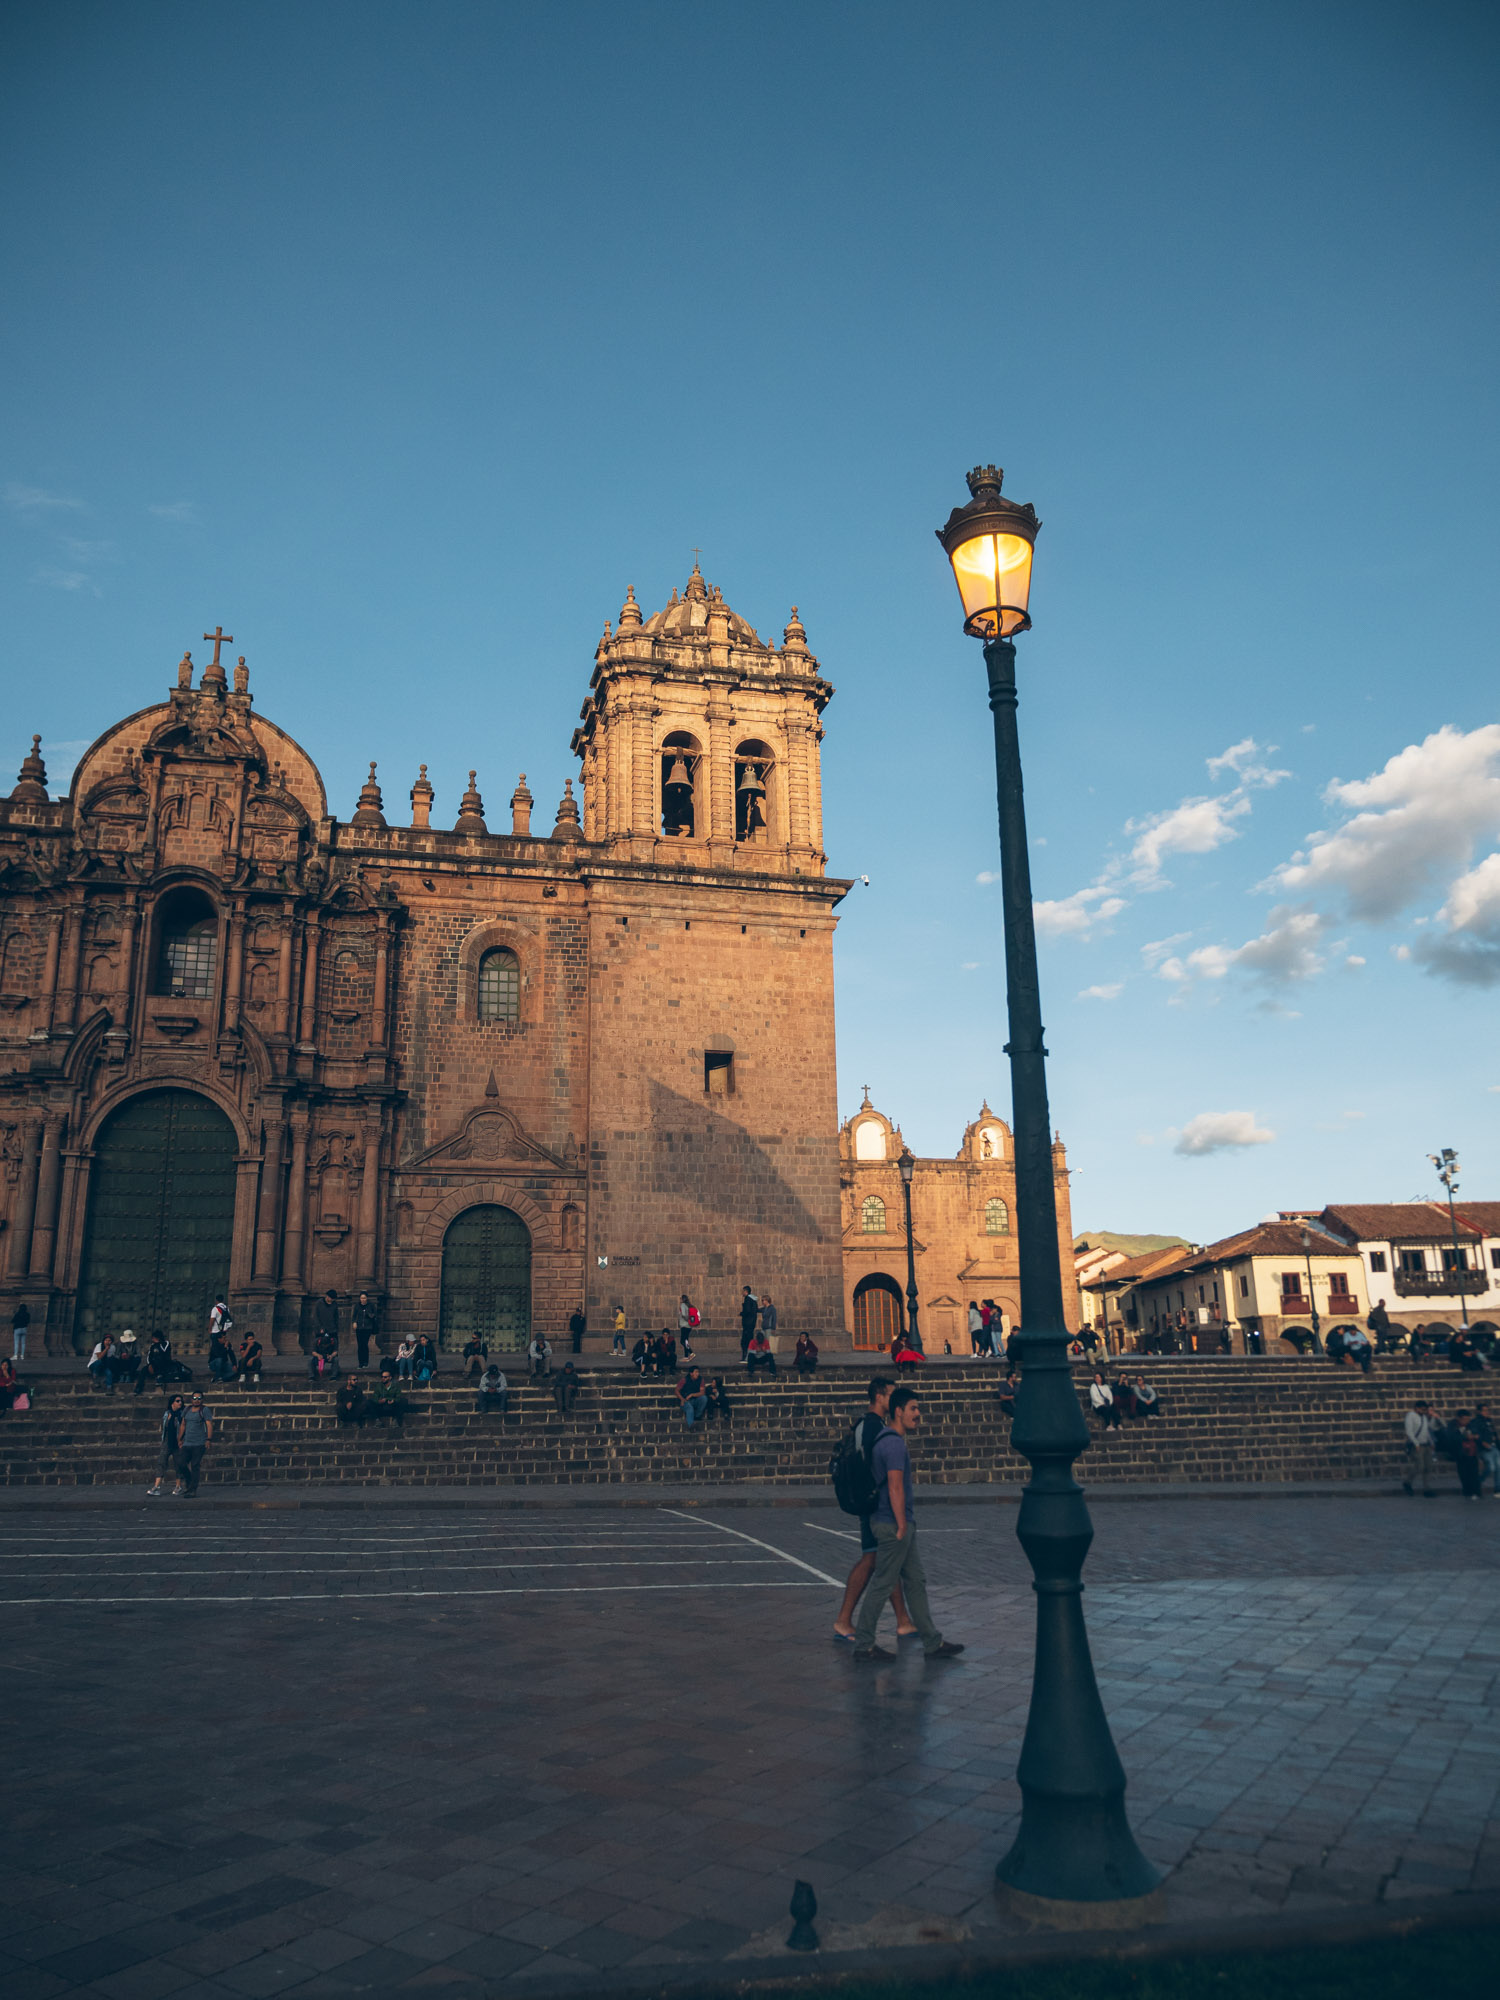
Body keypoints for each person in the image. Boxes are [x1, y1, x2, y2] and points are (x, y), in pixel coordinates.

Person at [852, 1386, 963, 1662]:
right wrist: (902, 1525)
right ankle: (864, 1644)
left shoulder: (885, 1439)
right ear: (898, 1411)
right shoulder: (893, 1444)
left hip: (895, 1522)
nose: (918, 1414)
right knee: (883, 1583)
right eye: (913, 1408)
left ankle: (932, 1642)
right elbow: (895, 1487)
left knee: (915, 1580)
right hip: (894, 1524)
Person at [833, 1376, 916, 1643]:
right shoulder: (873, 1427)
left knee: (881, 1559)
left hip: (871, 1503)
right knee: (873, 1559)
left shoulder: (867, 1424)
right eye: (891, 1395)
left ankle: (903, 1621)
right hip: (874, 1505)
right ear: (879, 1397)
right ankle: (845, 1620)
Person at [147, 1394, 187, 1496]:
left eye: (181, 1401)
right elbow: (165, 1428)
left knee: (178, 1465)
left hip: (178, 1442)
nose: (180, 1403)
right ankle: (156, 1487)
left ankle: (178, 1487)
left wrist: (182, 1440)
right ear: (172, 1402)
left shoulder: (183, 1414)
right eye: (177, 1401)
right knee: (161, 1462)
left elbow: (184, 1428)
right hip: (167, 1442)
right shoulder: (167, 1413)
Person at [178, 1393, 214, 1497]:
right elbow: (183, 1425)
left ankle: (192, 1490)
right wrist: (179, 1439)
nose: (196, 1400)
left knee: (195, 1465)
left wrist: (208, 1439)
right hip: (187, 1442)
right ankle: (189, 1483)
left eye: (199, 1398)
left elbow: (209, 1425)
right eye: (194, 1398)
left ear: (202, 1400)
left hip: (199, 1443)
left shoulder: (204, 1410)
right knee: (181, 1463)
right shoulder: (187, 1409)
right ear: (191, 1399)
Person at [1403, 1401, 1438, 1496]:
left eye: (1425, 1410)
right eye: (1423, 1409)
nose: (1424, 1411)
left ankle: (1426, 1488)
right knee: (1419, 1466)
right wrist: (1416, 1443)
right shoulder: (1410, 1416)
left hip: (1426, 1444)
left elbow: (1428, 1430)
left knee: (1428, 1466)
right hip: (1417, 1445)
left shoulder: (1424, 1417)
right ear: (1417, 1408)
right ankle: (1408, 1482)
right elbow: (1409, 1431)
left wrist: (1431, 1442)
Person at [1468, 1403, 1499, 1496]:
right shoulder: (1475, 1422)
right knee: (1491, 1467)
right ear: (1478, 1411)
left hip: (1494, 1447)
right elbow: (1475, 1435)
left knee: (1498, 1468)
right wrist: (1483, 1443)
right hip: (1484, 1448)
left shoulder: (1489, 1421)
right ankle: (1477, 1483)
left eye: (1487, 1410)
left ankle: (1497, 1489)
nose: (1486, 1412)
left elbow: (1494, 1434)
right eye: (1484, 1410)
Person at [352, 1291, 380, 1369]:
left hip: (368, 1328)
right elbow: (354, 1315)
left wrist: (369, 1314)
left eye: (364, 1298)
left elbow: (375, 1314)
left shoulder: (371, 1305)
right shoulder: (357, 1306)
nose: (363, 1300)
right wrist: (354, 1322)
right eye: (361, 1298)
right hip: (359, 1328)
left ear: (367, 1298)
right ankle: (360, 1363)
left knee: (364, 1344)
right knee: (360, 1345)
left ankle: (365, 1362)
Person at [310, 1315, 341, 1381]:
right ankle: (311, 1376)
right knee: (310, 1360)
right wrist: (318, 1355)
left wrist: (331, 1356)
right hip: (320, 1356)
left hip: (329, 1356)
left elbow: (335, 1351)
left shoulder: (334, 1340)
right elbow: (313, 1351)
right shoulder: (317, 1341)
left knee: (336, 1360)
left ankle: (333, 1376)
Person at [314, 1289, 340, 1369]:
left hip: (332, 1329)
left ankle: (335, 1366)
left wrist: (336, 1327)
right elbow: (316, 1317)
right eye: (331, 1298)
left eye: (333, 1299)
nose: (332, 1300)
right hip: (321, 1329)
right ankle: (318, 1364)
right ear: (327, 1297)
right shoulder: (319, 1303)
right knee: (319, 1346)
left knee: (334, 1346)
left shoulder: (334, 1304)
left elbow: (336, 1317)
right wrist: (320, 1327)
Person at [740, 1287, 760, 1360]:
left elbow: (747, 1310)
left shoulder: (747, 1299)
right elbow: (755, 1310)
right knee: (750, 1340)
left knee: (744, 1341)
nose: (742, 1293)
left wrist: (742, 1313)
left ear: (746, 1292)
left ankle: (746, 1357)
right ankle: (750, 1356)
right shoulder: (753, 1299)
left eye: (743, 1291)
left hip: (747, 1324)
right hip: (752, 1323)